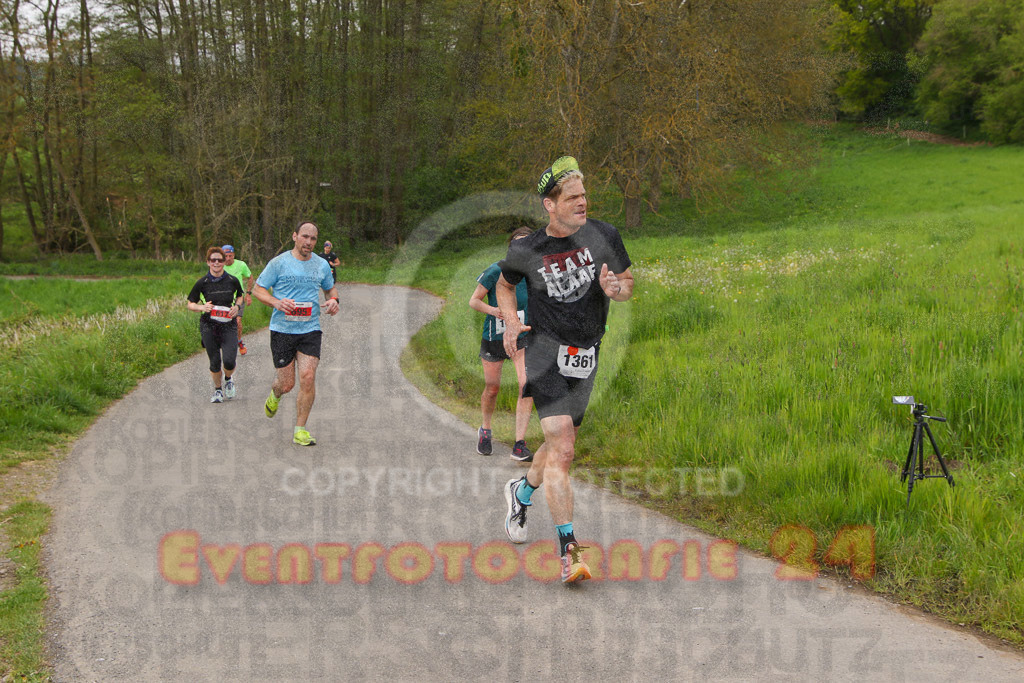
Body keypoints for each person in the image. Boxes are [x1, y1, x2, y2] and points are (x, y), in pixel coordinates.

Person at [496, 156, 634, 583]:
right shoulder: (527, 249)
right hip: (542, 351)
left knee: (558, 448)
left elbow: (627, 282)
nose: (583, 202)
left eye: (584, 195)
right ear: (549, 205)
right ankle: (569, 550)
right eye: (572, 197)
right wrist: (511, 321)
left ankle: (521, 493)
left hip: (586, 354)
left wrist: (617, 289)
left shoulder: (604, 236)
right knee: (565, 448)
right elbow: (504, 284)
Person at [252, 222, 340, 446]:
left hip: (310, 329)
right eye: (305, 237)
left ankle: (300, 429)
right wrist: (277, 302)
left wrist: (333, 300)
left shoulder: (321, 265)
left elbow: (330, 288)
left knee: (308, 377)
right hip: (282, 330)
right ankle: (276, 392)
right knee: (287, 384)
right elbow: (258, 289)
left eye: (313, 239)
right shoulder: (279, 263)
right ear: (295, 236)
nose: (308, 242)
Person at [468, 226, 535, 460]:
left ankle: (519, 444)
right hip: (494, 337)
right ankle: (485, 430)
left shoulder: (534, 273)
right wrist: (495, 310)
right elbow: (474, 301)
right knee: (492, 388)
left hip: (522, 337)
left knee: (526, 385)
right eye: (518, 243)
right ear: (511, 248)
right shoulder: (496, 270)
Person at [186, 246, 244, 403]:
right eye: (213, 260)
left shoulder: (233, 280)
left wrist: (237, 307)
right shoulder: (202, 283)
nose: (216, 263)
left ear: (225, 262)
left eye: (219, 260)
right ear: (208, 262)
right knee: (214, 361)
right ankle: (218, 391)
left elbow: (240, 297)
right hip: (209, 326)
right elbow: (190, 304)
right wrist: (201, 307)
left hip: (228, 325)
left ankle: (228, 378)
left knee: (230, 360)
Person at [221, 244, 254, 355]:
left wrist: (248, 293)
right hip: (224, 299)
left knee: (237, 321)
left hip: (238, 298)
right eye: (226, 256)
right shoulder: (218, 266)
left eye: (230, 256)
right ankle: (228, 342)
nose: (228, 258)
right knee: (224, 323)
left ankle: (239, 342)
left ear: (234, 255)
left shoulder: (241, 265)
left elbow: (250, 277)